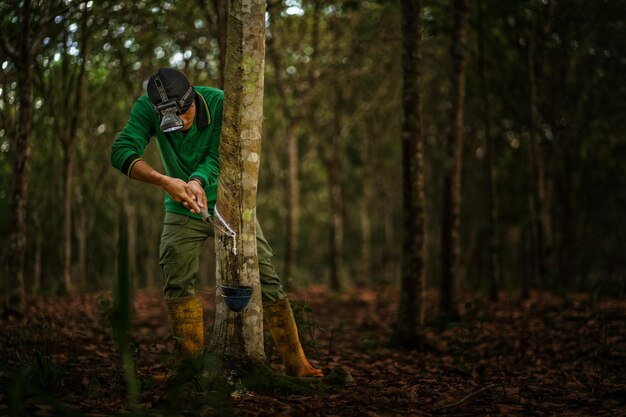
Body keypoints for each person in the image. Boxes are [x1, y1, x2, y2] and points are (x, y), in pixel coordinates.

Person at [110, 67, 322, 378]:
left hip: (230, 205)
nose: (181, 124)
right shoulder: (146, 108)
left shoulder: (220, 103)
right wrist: (165, 181)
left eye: (185, 115)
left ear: (193, 97)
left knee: (264, 273)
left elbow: (220, 155)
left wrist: (197, 180)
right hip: (181, 207)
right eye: (171, 121)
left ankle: (297, 362)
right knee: (176, 275)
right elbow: (121, 151)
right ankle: (187, 367)